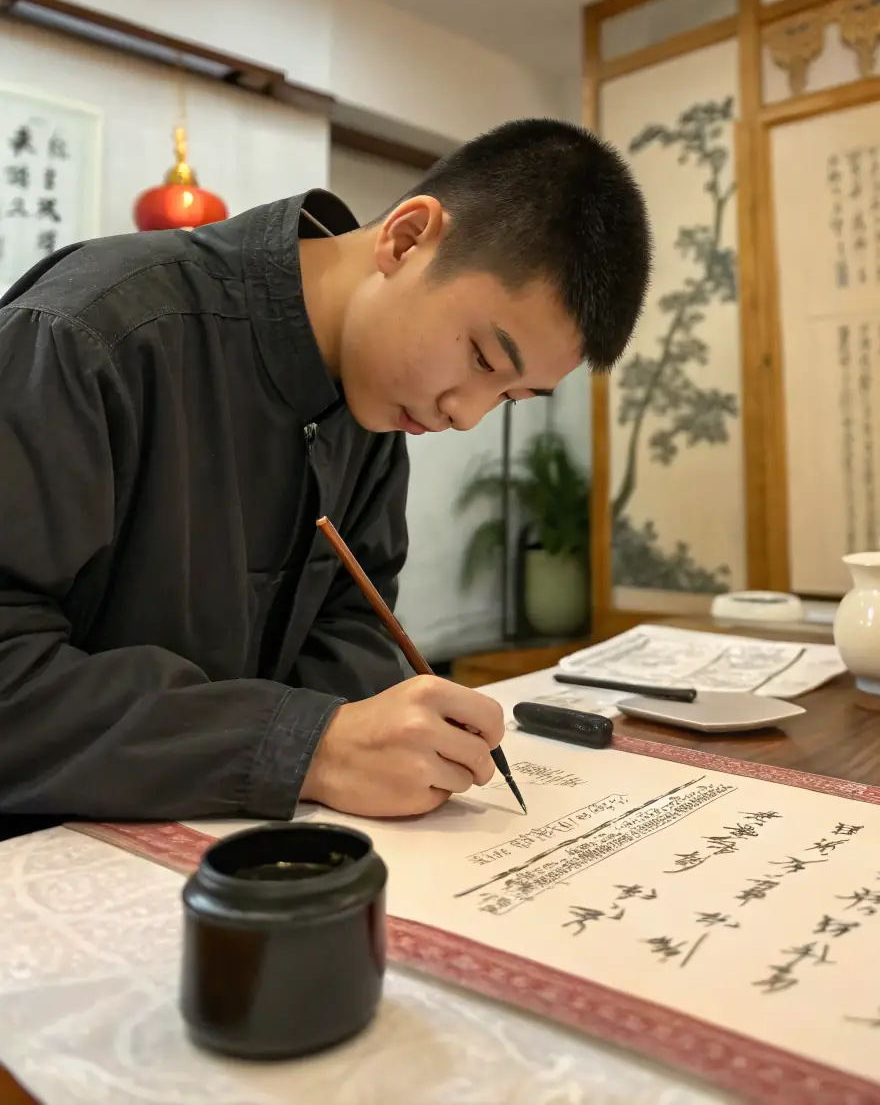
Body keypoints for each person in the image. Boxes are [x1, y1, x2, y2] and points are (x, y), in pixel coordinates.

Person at [0, 118, 650, 833]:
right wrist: (308, 746)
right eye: (481, 359)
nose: (466, 415)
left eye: (508, 397)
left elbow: (352, 625)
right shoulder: (94, 335)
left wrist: (365, 734)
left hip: (228, 846)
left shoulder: (374, 406)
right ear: (406, 239)